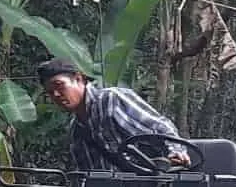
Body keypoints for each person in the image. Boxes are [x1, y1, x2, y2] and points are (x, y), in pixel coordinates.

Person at [37, 58, 191, 171]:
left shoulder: (111, 99)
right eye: (50, 92)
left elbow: (160, 127)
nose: (56, 94)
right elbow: (86, 173)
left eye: (60, 86)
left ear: (79, 79)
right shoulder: (76, 130)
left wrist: (176, 151)